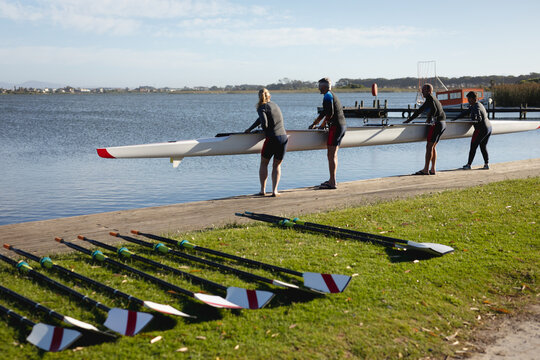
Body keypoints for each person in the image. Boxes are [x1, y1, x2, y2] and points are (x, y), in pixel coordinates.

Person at [245, 88, 288, 197]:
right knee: (277, 165)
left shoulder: (261, 107)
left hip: (272, 139)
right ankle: (275, 191)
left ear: (259, 97)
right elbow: (260, 119)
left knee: (264, 163)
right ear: (270, 96)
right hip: (283, 137)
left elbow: (264, 123)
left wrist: (261, 130)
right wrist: (250, 128)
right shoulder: (275, 105)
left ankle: (262, 190)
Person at [309, 77, 347, 189]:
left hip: (336, 127)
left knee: (331, 155)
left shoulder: (327, 96)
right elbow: (324, 113)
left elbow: (329, 114)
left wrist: (320, 126)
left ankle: (332, 182)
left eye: (319, 87)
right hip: (342, 126)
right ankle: (332, 179)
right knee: (333, 154)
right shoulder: (331, 95)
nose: (318, 89)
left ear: (324, 87)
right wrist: (314, 123)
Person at [403, 83, 446, 175]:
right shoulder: (433, 99)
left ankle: (426, 170)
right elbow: (420, 111)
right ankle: (433, 169)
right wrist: (409, 120)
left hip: (437, 124)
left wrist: (429, 117)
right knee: (433, 147)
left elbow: (433, 110)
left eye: (423, 90)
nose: (422, 92)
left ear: (429, 91)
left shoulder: (430, 99)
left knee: (429, 146)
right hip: (443, 123)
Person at [452, 91, 492, 170]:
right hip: (489, 128)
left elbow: (478, 117)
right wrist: (455, 119)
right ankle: (486, 164)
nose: (468, 101)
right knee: (483, 146)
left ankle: (468, 165)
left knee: (473, 146)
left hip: (481, 129)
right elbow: (466, 112)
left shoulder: (475, 107)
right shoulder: (478, 104)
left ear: (473, 99)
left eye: (469, 99)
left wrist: (476, 119)